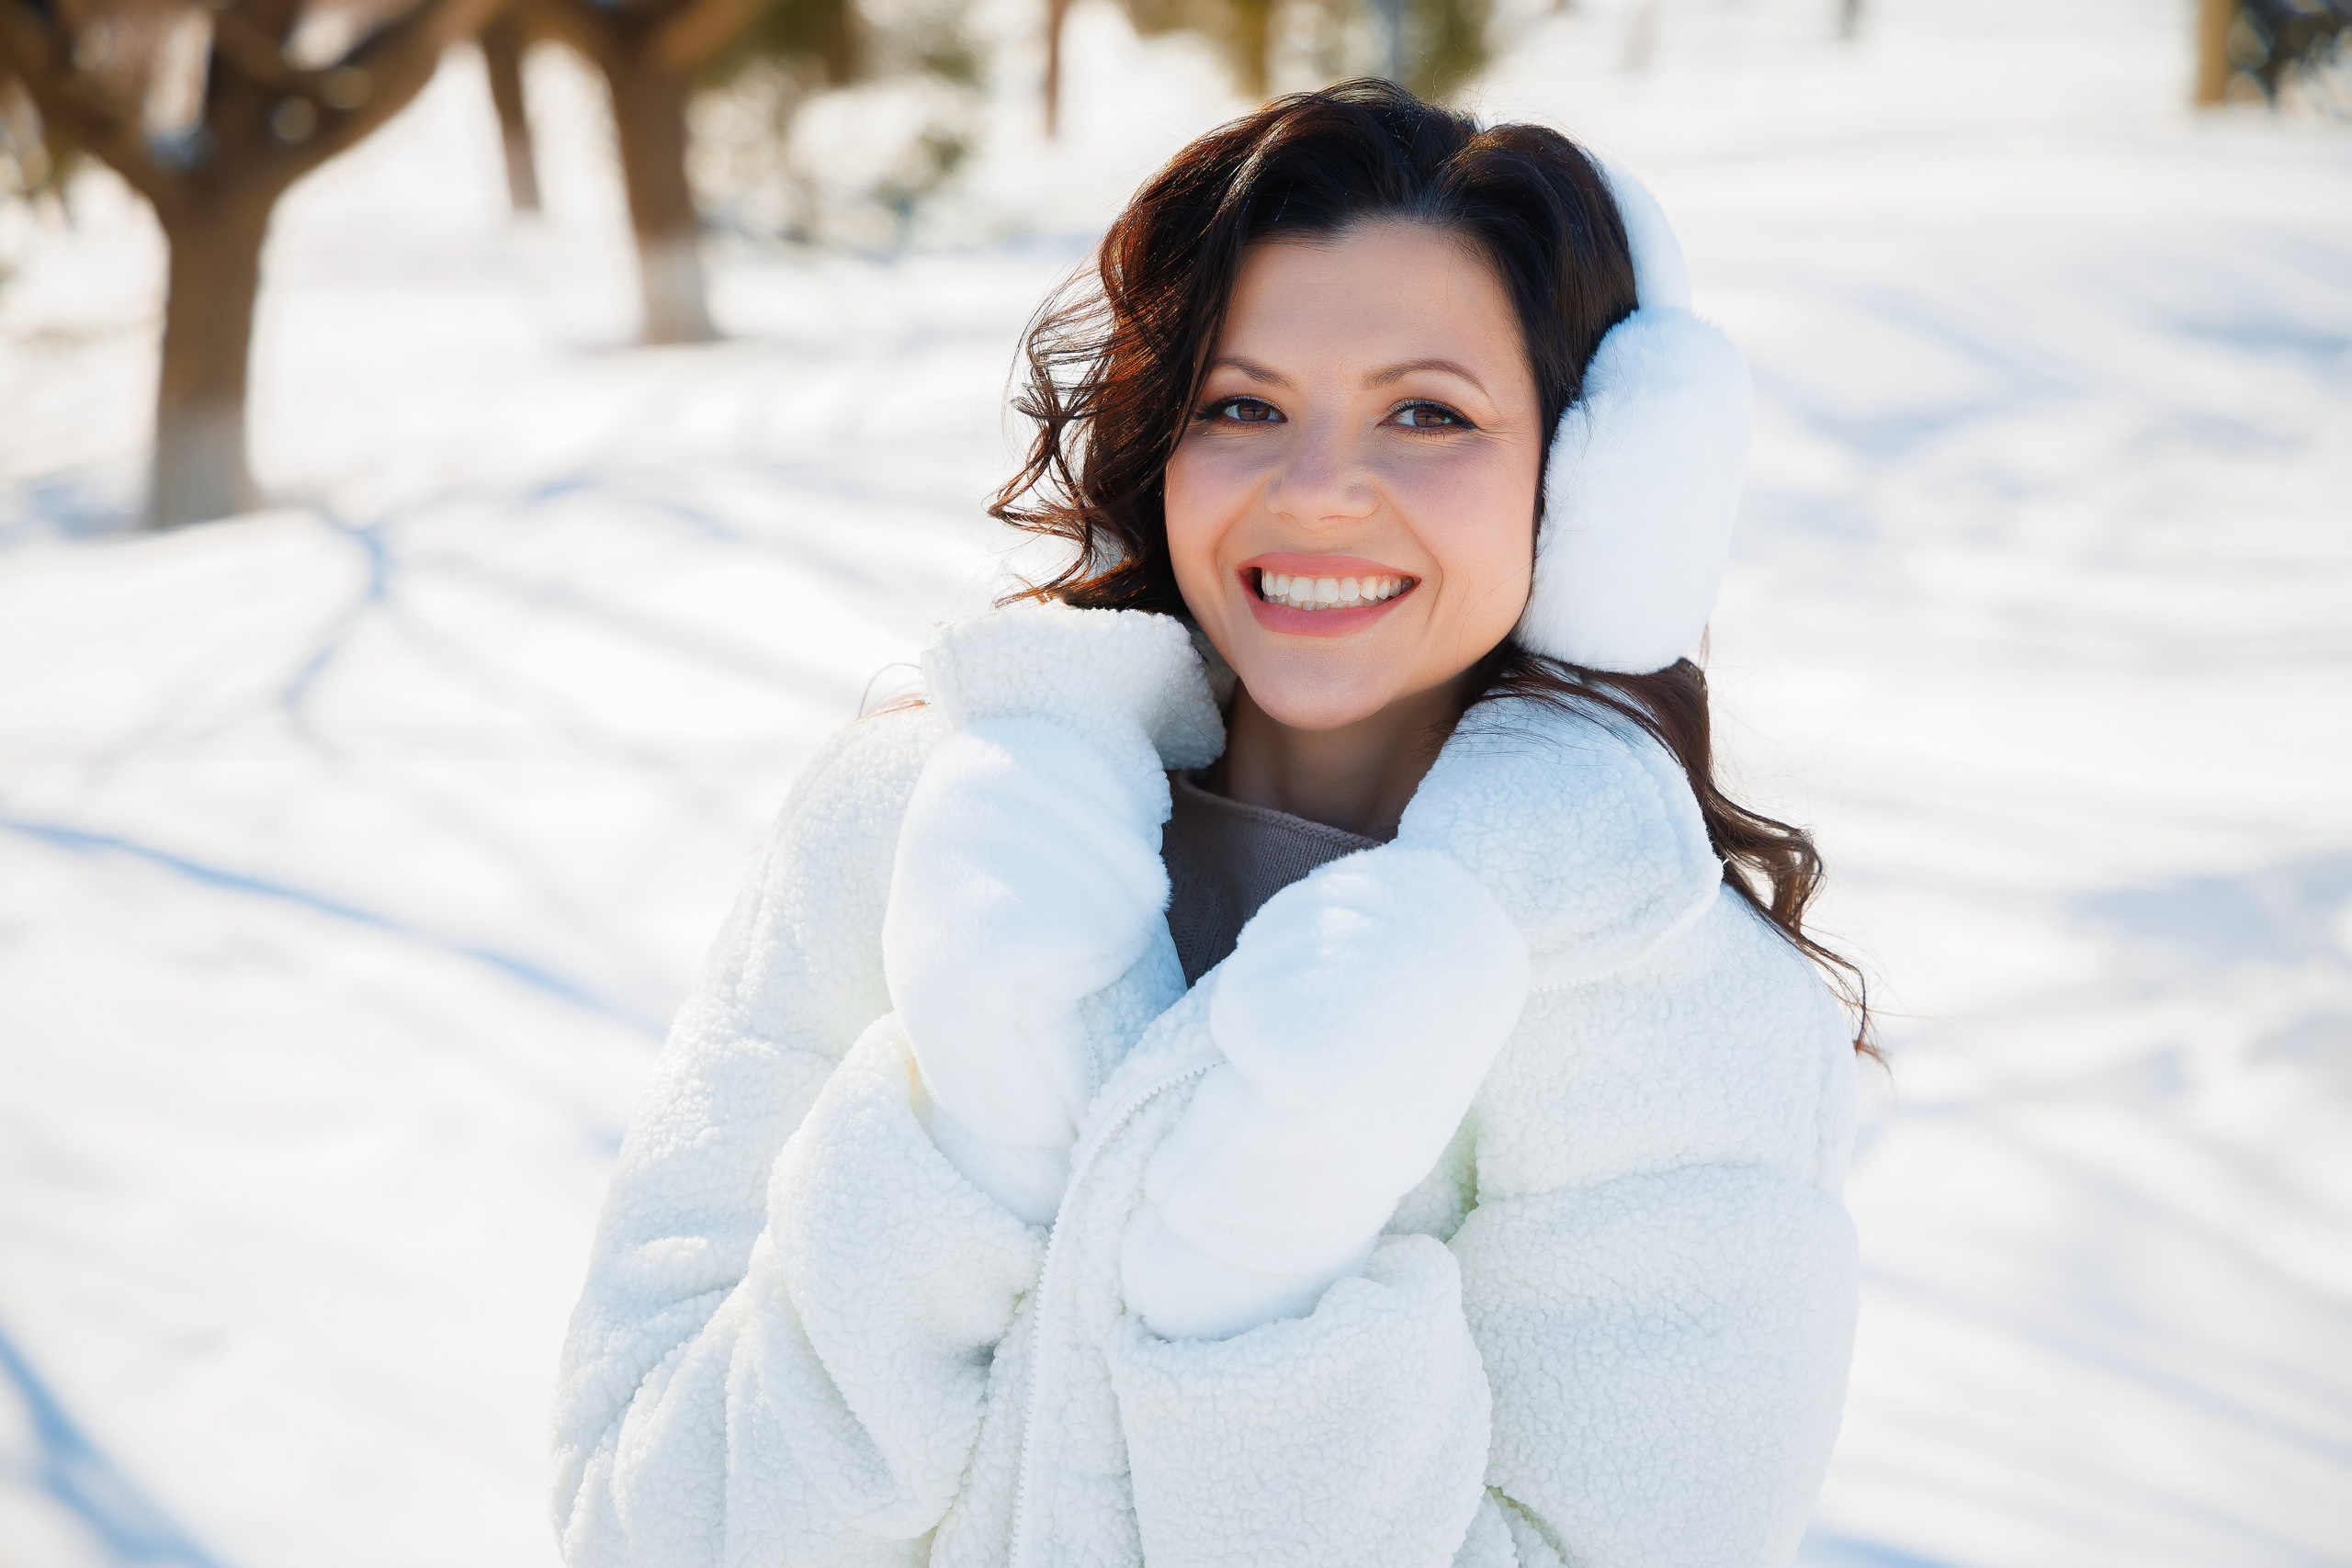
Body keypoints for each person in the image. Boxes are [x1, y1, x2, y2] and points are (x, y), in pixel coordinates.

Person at [550, 80, 1870, 1568]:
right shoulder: (914, 834)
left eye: (1428, 413)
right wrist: (963, 1140)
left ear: (1591, 493)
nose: (1318, 492)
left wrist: (1257, 1269)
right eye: (1244, 407)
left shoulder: (1677, 1013)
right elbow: (639, 1528)